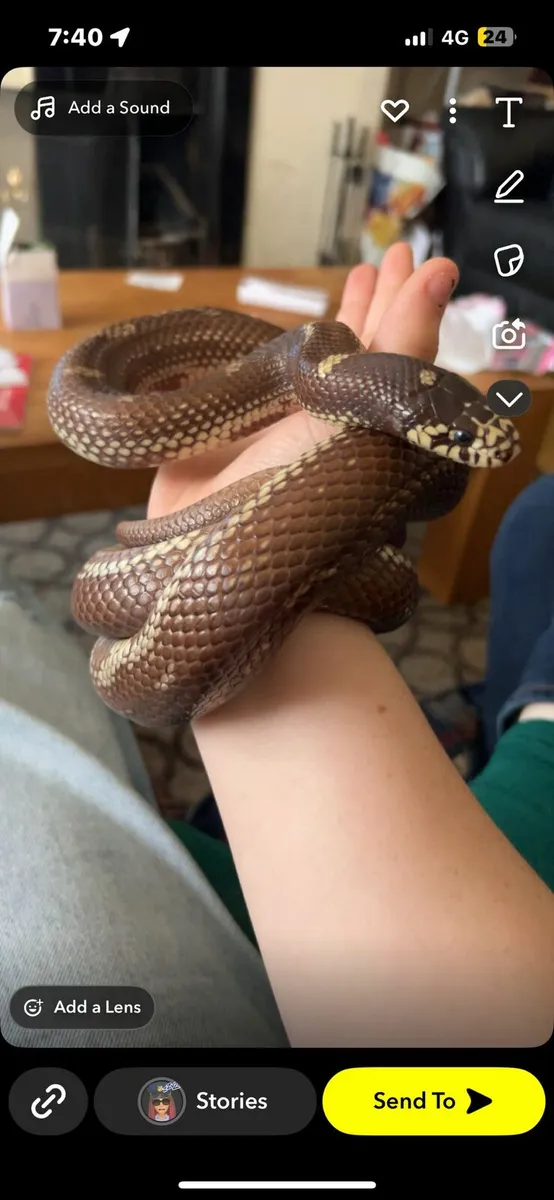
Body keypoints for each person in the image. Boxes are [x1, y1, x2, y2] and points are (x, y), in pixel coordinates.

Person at [1, 245, 552, 1052]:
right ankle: (531, 717)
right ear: (402, 416)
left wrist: (260, 546)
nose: (471, 450)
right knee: (538, 524)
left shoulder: (339, 378)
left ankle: (526, 717)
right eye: (452, 437)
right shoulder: (317, 372)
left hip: (238, 908)